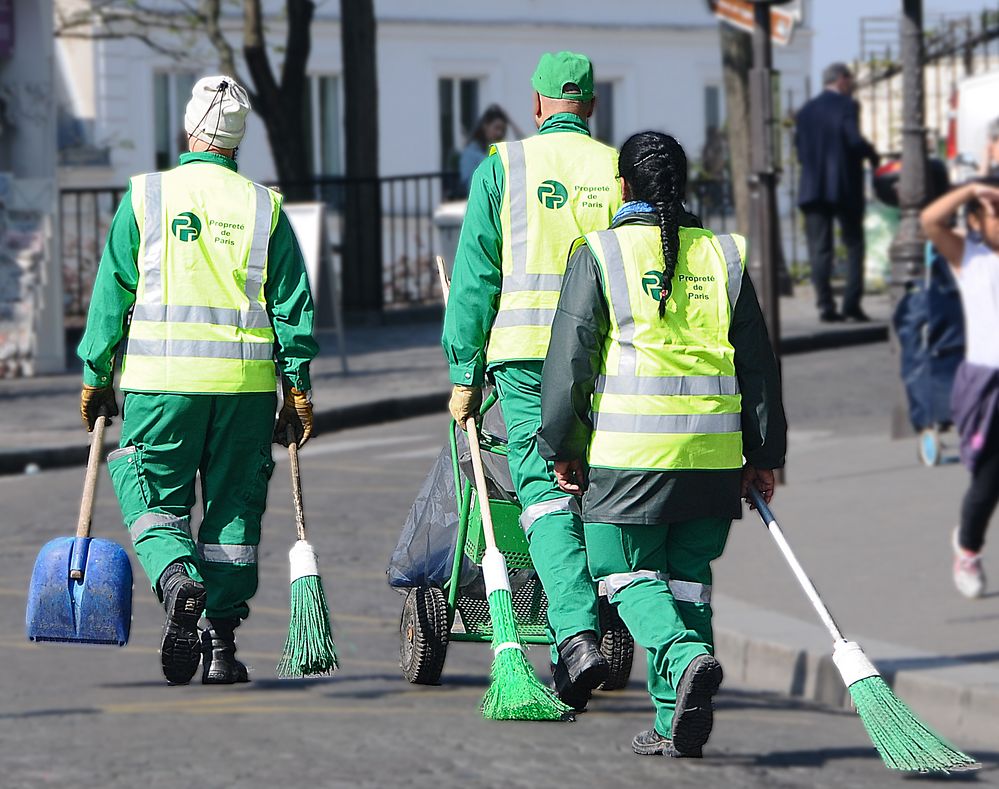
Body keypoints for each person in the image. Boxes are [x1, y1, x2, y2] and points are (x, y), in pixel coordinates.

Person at [538, 131, 786, 757]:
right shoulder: (723, 254)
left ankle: (683, 658)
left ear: (623, 186)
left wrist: (560, 444)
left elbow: (571, 360)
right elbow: (757, 364)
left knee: (622, 572)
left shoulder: (600, 251)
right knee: (687, 582)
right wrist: (762, 456)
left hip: (630, 458)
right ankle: (675, 719)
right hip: (712, 455)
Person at [78, 76, 318, 685]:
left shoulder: (146, 198)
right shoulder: (265, 207)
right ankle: (221, 645)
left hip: (163, 385)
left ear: (188, 131)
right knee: (234, 510)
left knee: (152, 494)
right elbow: (292, 305)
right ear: (237, 142)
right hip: (243, 389)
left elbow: (112, 296)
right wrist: (298, 387)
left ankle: (176, 577)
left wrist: (96, 373)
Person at [442, 51, 621, 710]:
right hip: (606, 357)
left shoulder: (503, 168)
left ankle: (574, 637)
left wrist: (462, 370)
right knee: (602, 486)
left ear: (537, 104)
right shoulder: (617, 170)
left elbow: (474, 280)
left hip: (522, 359)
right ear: (592, 107)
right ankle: (622, 611)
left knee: (544, 496)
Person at [921, 180, 999, 599]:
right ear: (975, 221)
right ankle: (967, 547)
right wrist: (972, 189)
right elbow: (930, 220)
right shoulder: (971, 256)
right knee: (989, 480)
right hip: (988, 386)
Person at [795, 62, 879, 323]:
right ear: (842, 80)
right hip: (842, 187)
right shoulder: (846, 105)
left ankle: (825, 306)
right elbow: (853, 139)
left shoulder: (805, 111)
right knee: (854, 244)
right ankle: (851, 305)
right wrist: (872, 155)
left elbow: (799, 150)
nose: (851, 84)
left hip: (812, 188)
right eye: (850, 79)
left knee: (820, 250)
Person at [459, 105, 512, 194]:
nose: (499, 133)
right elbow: (468, 183)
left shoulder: (498, 150)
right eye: (496, 128)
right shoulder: (472, 152)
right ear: (485, 126)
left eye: (502, 130)